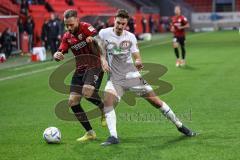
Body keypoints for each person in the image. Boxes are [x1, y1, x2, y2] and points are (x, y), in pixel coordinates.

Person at [96, 9, 196, 146]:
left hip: (132, 76)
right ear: (114, 20)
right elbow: (99, 45)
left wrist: (138, 62)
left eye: (123, 24)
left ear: (127, 24)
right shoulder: (104, 33)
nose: (120, 26)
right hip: (115, 78)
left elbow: (137, 56)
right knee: (107, 103)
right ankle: (113, 136)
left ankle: (180, 125)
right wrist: (102, 59)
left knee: (156, 102)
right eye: (118, 23)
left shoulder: (130, 36)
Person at [53, 9, 106, 142]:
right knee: (72, 102)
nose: (69, 28)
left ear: (77, 20)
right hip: (80, 69)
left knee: (87, 92)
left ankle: (104, 108)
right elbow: (61, 51)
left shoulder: (86, 27)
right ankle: (90, 133)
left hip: (94, 65)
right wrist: (57, 55)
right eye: (66, 25)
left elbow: (100, 42)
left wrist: (103, 58)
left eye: (71, 24)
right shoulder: (67, 37)